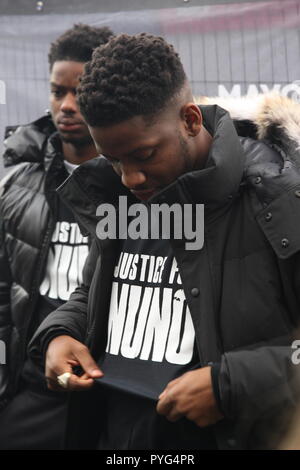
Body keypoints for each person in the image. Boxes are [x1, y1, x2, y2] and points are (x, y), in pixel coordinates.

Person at [28, 33, 300, 450]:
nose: (129, 178)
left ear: (190, 120)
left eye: (144, 155)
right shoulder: (119, 196)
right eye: (113, 159)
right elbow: (97, 293)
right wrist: (60, 332)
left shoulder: (279, 199)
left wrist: (231, 385)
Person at [0, 23, 114, 450]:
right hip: (31, 389)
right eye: (56, 92)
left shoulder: (142, 185)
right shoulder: (19, 181)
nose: (66, 106)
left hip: (109, 389)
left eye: (79, 93)